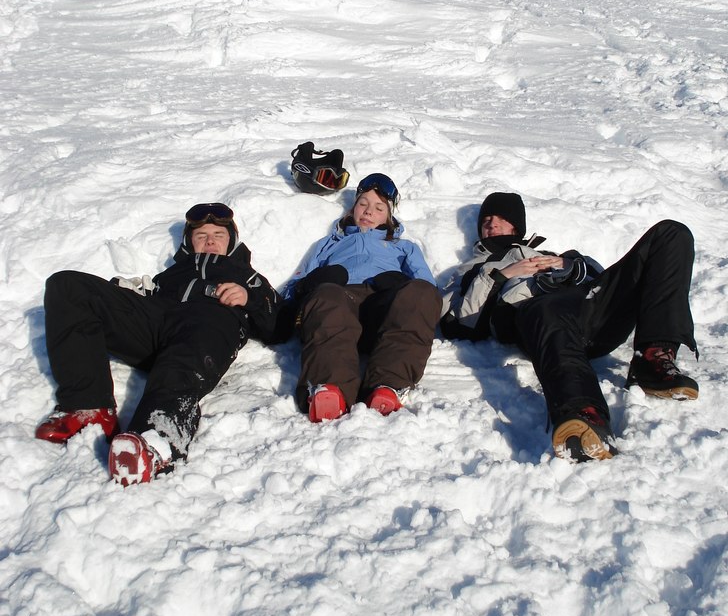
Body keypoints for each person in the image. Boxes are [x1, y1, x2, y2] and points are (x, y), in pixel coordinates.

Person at [441, 191, 698, 462]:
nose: (491, 224)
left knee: (671, 233)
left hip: (588, 310)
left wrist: (570, 266)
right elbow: (461, 323)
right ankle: (583, 414)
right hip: (538, 320)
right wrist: (503, 275)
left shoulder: (550, 254)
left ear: (516, 226)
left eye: (500, 218)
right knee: (545, 307)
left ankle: (652, 359)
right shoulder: (473, 268)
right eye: (486, 220)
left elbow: (604, 280)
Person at [35, 203, 281, 485]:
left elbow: (279, 326)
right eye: (201, 235)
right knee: (67, 285)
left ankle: (156, 438)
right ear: (190, 243)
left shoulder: (249, 279)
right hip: (157, 323)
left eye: (218, 235)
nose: (210, 240)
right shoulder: (170, 276)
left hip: (208, 327)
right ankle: (89, 407)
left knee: (190, 344)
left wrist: (248, 299)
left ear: (232, 242)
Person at [286, 173, 442, 421]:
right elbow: (294, 287)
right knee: (327, 294)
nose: (369, 212)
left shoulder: (404, 247)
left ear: (389, 216)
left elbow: (428, 289)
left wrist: (400, 284)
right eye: (363, 204)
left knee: (421, 295)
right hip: (339, 305)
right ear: (352, 208)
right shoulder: (328, 244)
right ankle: (330, 389)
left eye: (379, 207)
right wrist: (313, 283)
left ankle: (386, 387)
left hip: (383, 311)